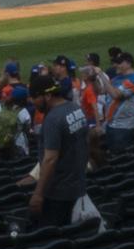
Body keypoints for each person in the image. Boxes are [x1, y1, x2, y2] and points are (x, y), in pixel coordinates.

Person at [25, 73, 89, 228]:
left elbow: (50, 159)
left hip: (58, 192)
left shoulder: (53, 119)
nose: (33, 101)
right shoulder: (75, 108)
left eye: (35, 97)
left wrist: (38, 194)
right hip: (77, 185)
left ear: (47, 95)